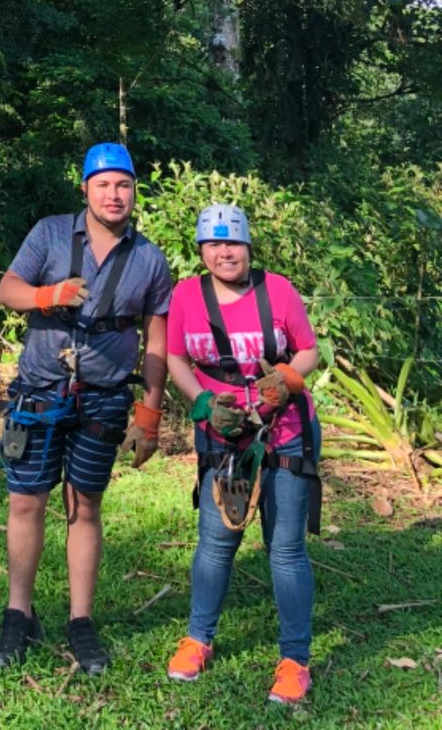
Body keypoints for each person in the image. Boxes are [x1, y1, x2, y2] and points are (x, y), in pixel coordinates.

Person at [0, 143, 172, 676]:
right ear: (85, 190)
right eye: (104, 185)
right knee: (26, 503)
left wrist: (151, 412)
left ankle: (81, 621)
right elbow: (8, 288)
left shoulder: (150, 258)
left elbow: (156, 339)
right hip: (39, 392)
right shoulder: (50, 233)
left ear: (134, 191)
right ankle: (18, 613)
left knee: (84, 506)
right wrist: (49, 295)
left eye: (124, 185)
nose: (114, 195)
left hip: (105, 399)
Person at [165, 202, 321, 708]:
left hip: (284, 435)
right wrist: (203, 402)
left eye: (232, 242)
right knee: (216, 540)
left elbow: (309, 350)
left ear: (248, 246)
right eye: (213, 244)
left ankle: (295, 660)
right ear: (201, 251)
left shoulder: (277, 290)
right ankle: (198, 638)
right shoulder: (187, 296)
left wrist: (286, 381)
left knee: (285, 547)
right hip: (225, 440)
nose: (224, 252)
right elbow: (175, 357)